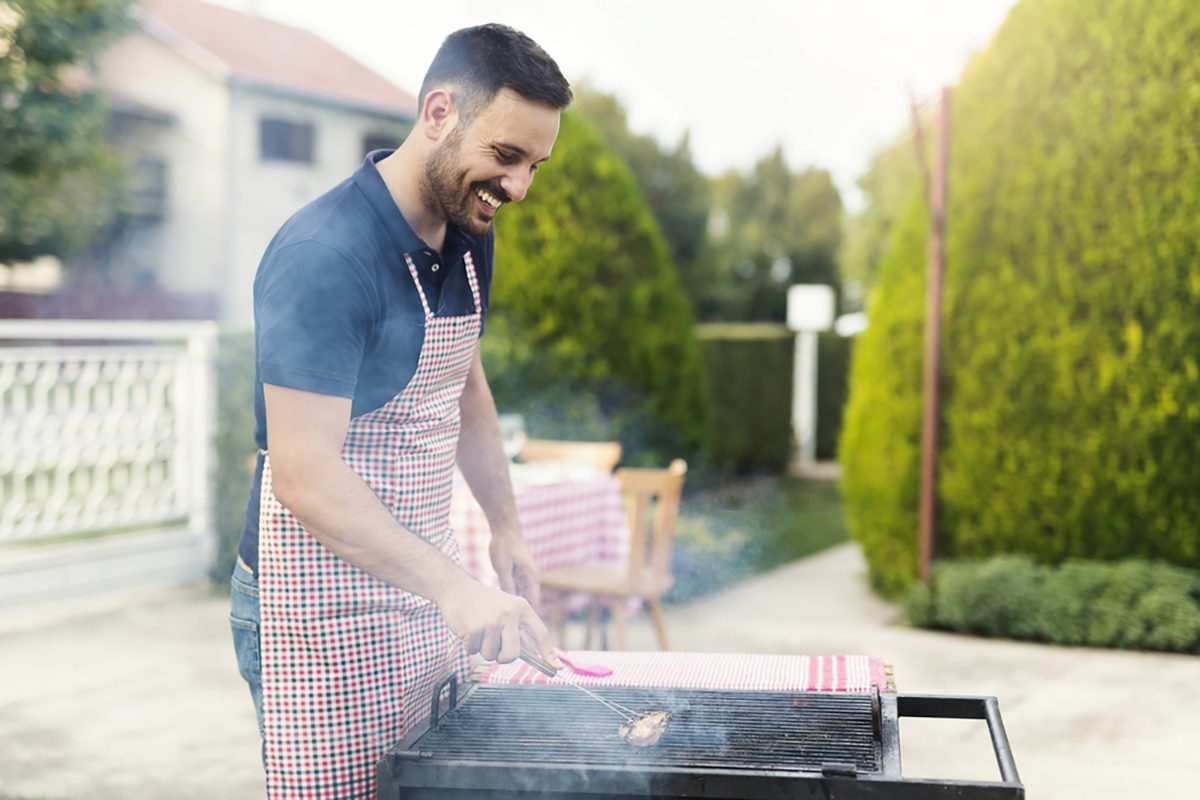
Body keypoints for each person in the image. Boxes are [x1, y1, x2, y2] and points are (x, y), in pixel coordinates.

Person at [228, 23, 572, 798]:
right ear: (440, 112)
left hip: (420, 589)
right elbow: (305, 476)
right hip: (316, 606)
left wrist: (506, 527)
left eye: (535, 166)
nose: (518, 188)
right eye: (507, 157)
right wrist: (454, 588)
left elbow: (465, 384)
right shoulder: (325, 255)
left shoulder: (469, 223)